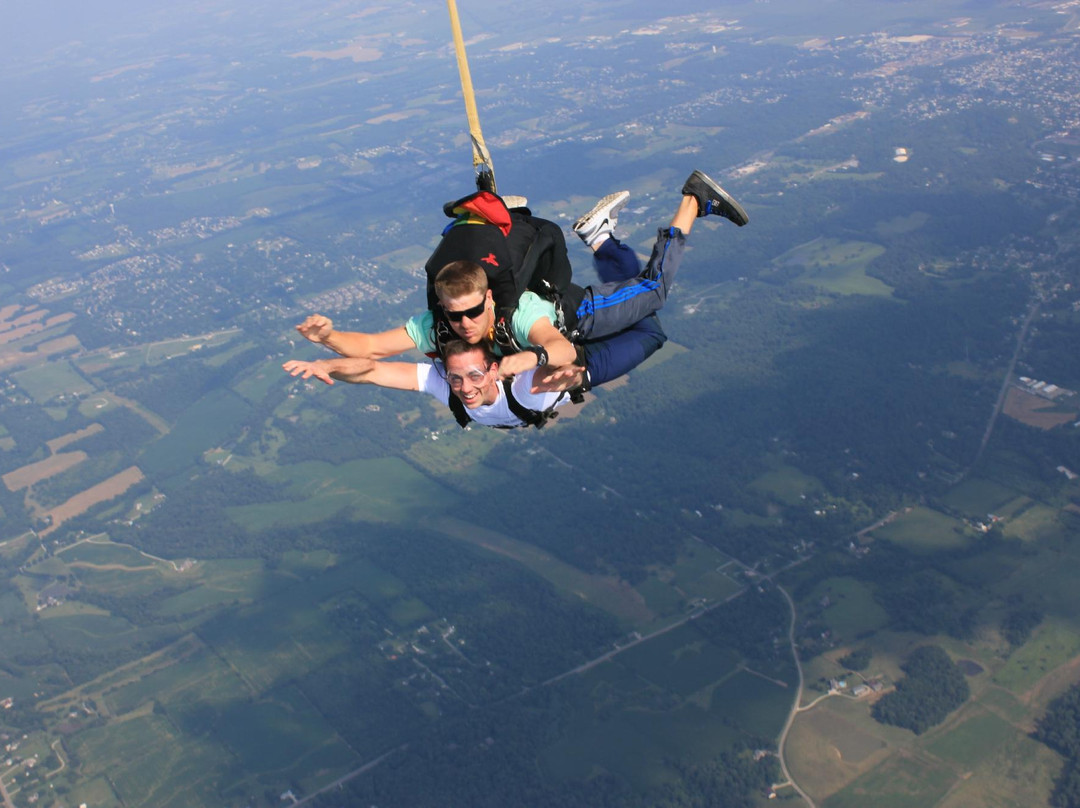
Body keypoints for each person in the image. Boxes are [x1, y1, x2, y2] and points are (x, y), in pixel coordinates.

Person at [294, 169, 748, 379]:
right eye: (455, 317)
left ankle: (693, 199)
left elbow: (559, 346)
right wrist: (328, 337)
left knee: (655, 291)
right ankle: (601, 239)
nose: (464, 323)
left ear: (488, 299)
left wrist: (528, 358)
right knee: (649, 332)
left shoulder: (517, 314)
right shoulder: (441, 325)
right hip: (556, 336)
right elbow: (372, 347)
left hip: (582, 314)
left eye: (472, 311)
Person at [282, 314, 667, 429]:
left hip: (580, 367)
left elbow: (559, 363)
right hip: (566, 373)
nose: (465, 388)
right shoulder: (442, 385)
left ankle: (602, 241)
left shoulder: (522, 385)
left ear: (494, 369)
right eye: (456, 378)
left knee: (651, 330)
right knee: (645, 326)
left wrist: (569, 375)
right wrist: (326, 361)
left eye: (475, 376)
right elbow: (368, 370)